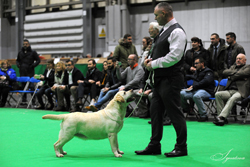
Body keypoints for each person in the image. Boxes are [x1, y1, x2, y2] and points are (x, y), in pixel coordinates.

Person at [135, 2, 188, 157]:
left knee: (174, 113)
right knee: (155, 113)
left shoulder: (177, 31)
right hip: (159, 81)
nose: (155, 18)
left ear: (164, 13)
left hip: (171, 80)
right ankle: (154, 145)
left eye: (156, 15)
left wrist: (154, 64)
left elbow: (174, 56)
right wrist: (149, 60)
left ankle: (181, 147)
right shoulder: (164, 30)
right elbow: (161, 53)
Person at [214, 54, 250, 126]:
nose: (238, 60)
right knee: (218, 94)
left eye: (240, 59)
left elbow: (243, 73)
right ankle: (223, 119)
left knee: (233, 98)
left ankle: (221, 117)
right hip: (230, 90)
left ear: (245, 60)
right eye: (237, 59)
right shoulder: (233, 67)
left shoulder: (248, 67)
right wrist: (238, 75)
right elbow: (225, 72)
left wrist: (232, 76)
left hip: (240, 92)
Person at [180, 57, 215, 122]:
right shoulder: (197, 72)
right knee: (181, 93)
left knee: (196, 96)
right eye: (194, 63)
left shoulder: (209, 71)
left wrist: (193, 86)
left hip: (206, 91)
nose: (195, 65)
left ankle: (203, 115)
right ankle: (188, 109)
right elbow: (191, 77)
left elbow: (206, 81)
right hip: (195, 90)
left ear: (202, 63)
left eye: (196, 63)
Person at [16, 39, 40, 104]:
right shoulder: (20, 52)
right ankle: (24, 100)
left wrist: (33, 65)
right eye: (24, 44)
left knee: (31, 86)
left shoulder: (33, 52)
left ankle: (33, 100)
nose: (25, 45)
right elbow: (17, 60)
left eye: (26, 44)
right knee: (23, 86)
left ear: (29, 44)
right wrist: (18, 65)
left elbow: (38, 60)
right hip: (22, 71)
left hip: (30, 71)